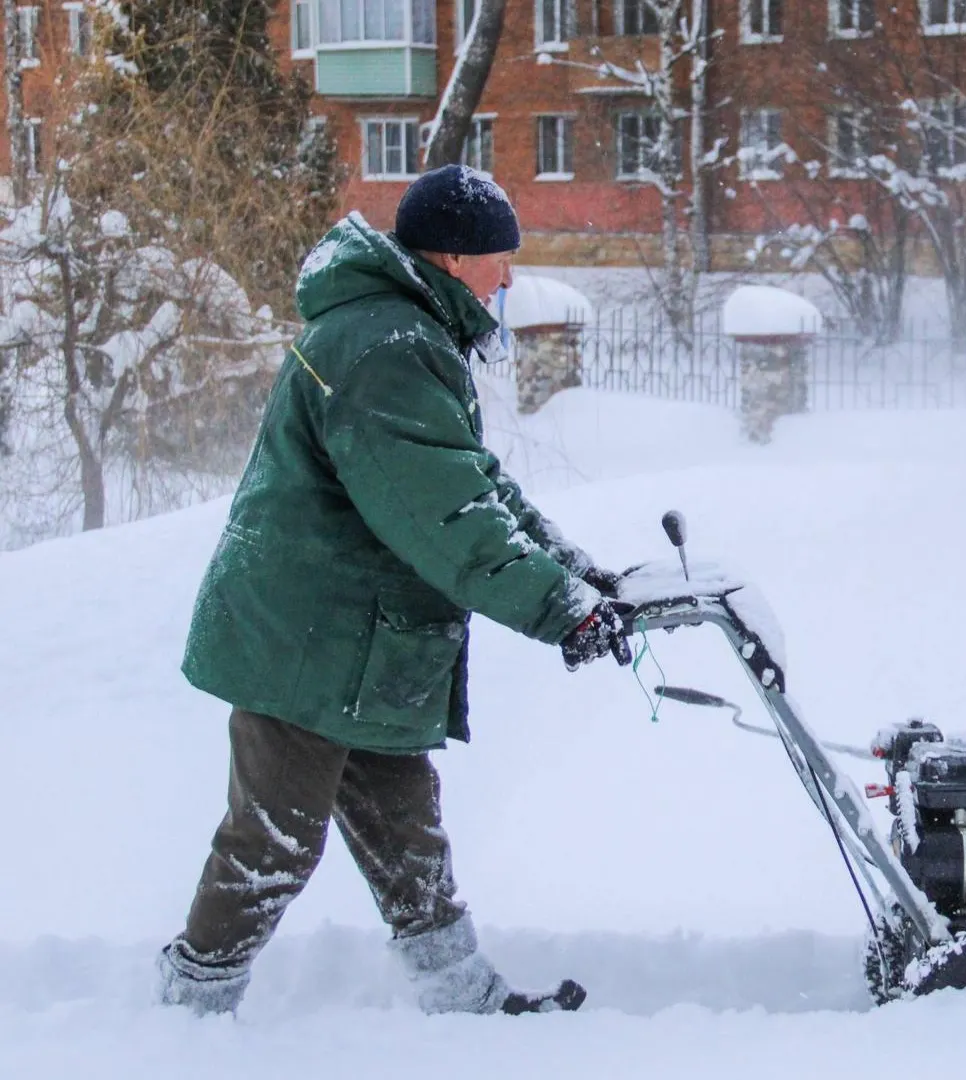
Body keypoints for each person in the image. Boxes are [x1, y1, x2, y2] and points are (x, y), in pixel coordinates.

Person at [156, 165, 638, 1017]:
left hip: (361, 642)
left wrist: (576, 570)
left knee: (406, 828)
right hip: (306, 643)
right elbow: (441, 516)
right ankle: (189, 1005)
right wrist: (560, 608)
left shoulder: (402, 332)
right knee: (273, 839)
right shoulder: (386, 347)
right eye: (500, 259)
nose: (509, 279)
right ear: (454, 259)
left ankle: (460, 997)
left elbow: (474, 484)